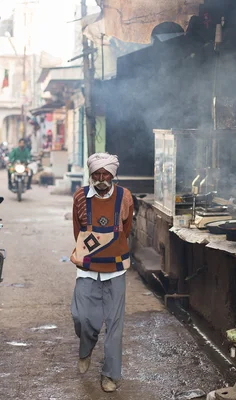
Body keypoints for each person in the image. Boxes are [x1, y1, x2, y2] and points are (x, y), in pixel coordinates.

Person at [70, 153, 134, 393]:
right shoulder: (79, 197)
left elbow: (126, 230)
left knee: (115, 326)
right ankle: (86, 348)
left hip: (116, 269)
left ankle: (110, 375)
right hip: (87, 268)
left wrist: (113, 246)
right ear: (91, 174)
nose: (100, 179)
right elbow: (78, 231)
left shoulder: (125, 197)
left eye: (105, 174)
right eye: (96, 174)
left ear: (113, 174)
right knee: (81, 317)